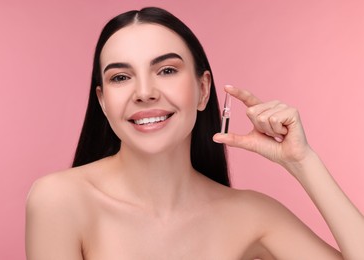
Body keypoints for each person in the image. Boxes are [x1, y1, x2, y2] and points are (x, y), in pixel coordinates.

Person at [25, 7, 364, 259]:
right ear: (102, 101)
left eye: (167, 70)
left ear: (203, 90)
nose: (144, 92)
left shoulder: (253, 214)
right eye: (120, 77)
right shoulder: (60, 200)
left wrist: (304, 162)